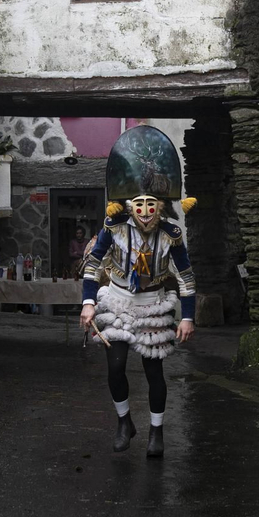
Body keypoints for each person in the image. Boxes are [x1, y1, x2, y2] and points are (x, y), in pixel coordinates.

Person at [79, 125, 197, 458]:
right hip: (117, 301)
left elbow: (186, 277)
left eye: (151, 205)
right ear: (129, 204)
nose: (145, 211)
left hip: (154, 305)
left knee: (153, 371)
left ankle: (156, 432)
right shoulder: (113, 228)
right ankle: (124, 422)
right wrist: (89, 303)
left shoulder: (171, 234)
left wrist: (187, 317)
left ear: (161, 206)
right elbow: (92, 265)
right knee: (115, 366)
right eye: (139, 204)